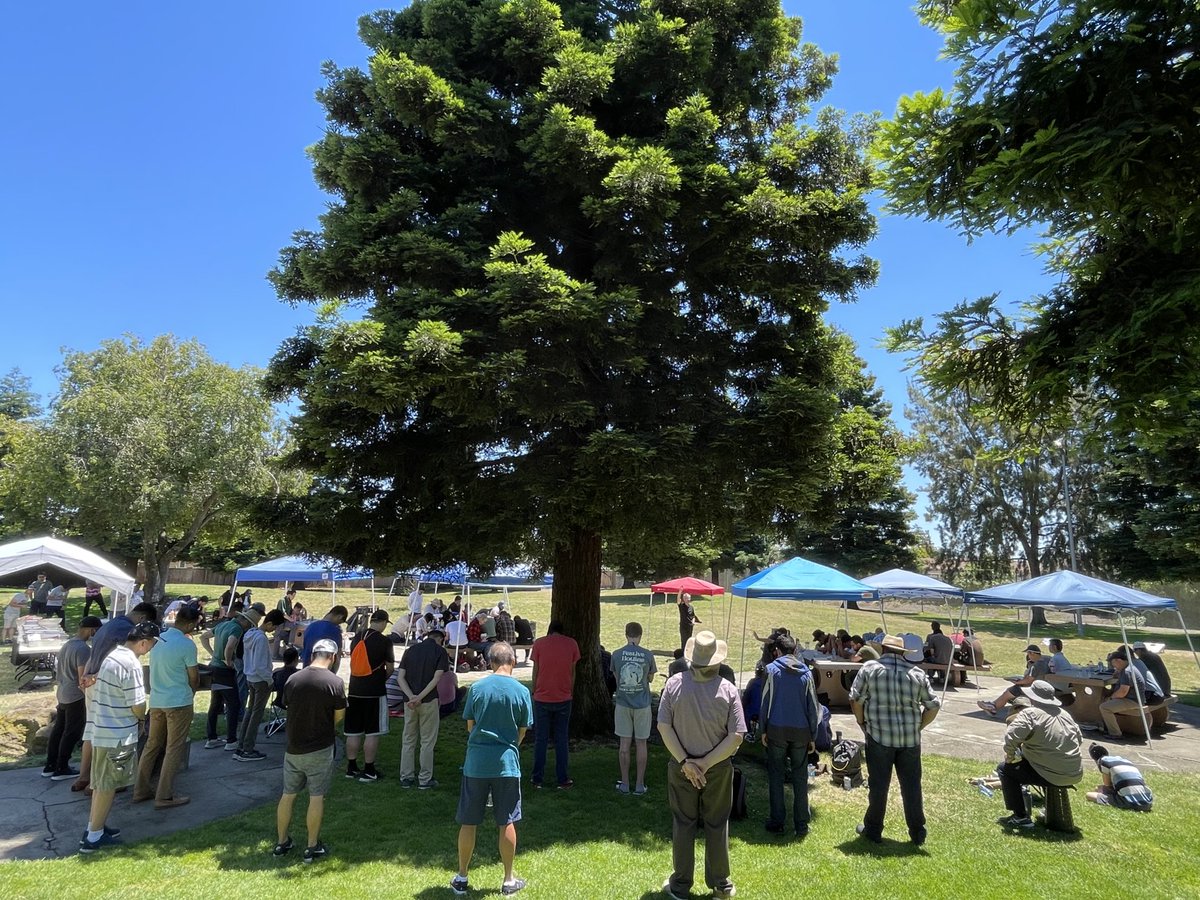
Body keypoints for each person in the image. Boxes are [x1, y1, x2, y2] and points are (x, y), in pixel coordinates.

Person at [657, 631, 745, 900]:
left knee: (683, 823)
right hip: (717, 768)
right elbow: (737, 735)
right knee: (717, 824)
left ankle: (681, 886)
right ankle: (721, 885)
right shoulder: (727, 689)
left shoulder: (673, 685)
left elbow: (663, 726)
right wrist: (705, 763)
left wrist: (687, 762)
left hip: (682, 766)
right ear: (716, 660)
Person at [451, 641, 533, 896]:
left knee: (468, 821)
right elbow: (522, 730)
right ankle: (508, 879)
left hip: (476, 762)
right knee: (507, 821)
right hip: (506, 763)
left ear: (490, 662)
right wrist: (508, 745)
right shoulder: (521, 691)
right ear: (513, 661)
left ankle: (462, 877)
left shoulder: (477, 688)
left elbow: (470, 725)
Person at [849, 633, 941, 845]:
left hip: (879, 735)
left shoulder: (870, 669)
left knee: (878, 786)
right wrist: (919, 726)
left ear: (883, 650)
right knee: (911, 786)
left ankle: (873, 829)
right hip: (909, 739)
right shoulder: (917, 673)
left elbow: (856, 700)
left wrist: (861, 723)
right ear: (902, 653)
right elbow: (933, 706)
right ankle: (917, 830)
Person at [79, 621, 160, 853]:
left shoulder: (113, 655)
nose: (151, 649)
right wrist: (142, 718)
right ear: (143, 642)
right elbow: (136, 703)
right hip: (117, 734)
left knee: (101, 783)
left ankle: (95, 827)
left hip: (103, 730)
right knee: (106, 786)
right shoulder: (131, 663)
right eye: (152, 644)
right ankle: (93, 838)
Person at [273, 638, 347, 863]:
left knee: (288, 795)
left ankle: (281, 842)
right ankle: (312, 845)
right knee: (316, 797)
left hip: (293, 747)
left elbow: (287, 704)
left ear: (313, 654)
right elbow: (339, 715)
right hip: (320, 747)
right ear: (333, 657)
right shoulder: (334, 682)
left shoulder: (293, 678)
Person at [74, 601, 158, 793]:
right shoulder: (127, 630)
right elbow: (116, 661)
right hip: (103, 683)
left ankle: (84, 777)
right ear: (143, 619)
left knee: (92, 731)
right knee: (109, 734)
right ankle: (99, 783)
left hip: (91, 682)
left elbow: (95, 653)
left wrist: (86, 677)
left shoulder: (110, 623)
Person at [133, 605, 200, 807]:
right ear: (189, 623)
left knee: (151, 745)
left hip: (157, 701)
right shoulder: (187, 644)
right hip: (178, 702)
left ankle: (140, 789)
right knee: (173, 748)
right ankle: (164, 795)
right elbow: (194, 677)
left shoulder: (158, 640)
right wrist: (192, 691)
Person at [994, 680, 1084, 829]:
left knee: (1005, 769)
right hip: (1073, 772)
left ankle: (1021, 817)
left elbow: (1011, 737)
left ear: (1033, 697)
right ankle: (1046, 809)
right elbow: (1079, 739)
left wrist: (1010, 756)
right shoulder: (1065, 714)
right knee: (1039, 764)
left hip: (1049, 773)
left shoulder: (1030, 713)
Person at [760, 633, 819, 837]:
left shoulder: (771, 670)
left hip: (776, 729)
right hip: (801, 732)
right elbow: (813, 706)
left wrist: (763, 729)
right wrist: (813, 735)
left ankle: (777, 821)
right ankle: (801, 824)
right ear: (795, 650)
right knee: (800, 777)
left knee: (776, 776)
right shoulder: (807, 673)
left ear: (777, 651)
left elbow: (765, 702)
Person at [43, 616, 102, 780]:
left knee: (58, 729)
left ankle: (50, 765)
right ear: (92, 630)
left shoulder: (68, 644)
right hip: (75, 695)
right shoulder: (83, 649)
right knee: (72, 732)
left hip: (62, 691)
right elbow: (82, 676)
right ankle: (62, 767)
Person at [344, 609, 396, 782]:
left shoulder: (357, 637)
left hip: (354, 689)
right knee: (372, 732)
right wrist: (381, 678)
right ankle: (368, 769)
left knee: (353, 731)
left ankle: (351, 767)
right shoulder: (384, 641)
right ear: (382, 623)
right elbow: (390, 668)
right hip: (374, 691)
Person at [398, 622, 450, 788]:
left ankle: (406, 777)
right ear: (440, 639)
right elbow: (436, 678)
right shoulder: (440, 652)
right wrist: (420, 697)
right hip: (428, 700)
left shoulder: (410, 650)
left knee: (408, 739)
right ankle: (425, 779)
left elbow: (400, 678)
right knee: (427, 741)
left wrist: (411, 697)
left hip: (409, 702)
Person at [529, 620, 581, 789]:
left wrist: (534, 689)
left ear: (549, 630)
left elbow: (535, 670)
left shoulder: (539, 644)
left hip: (542, 696)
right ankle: (563, 778)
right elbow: (573, 672)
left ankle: (537, 778)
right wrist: (570, 691)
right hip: (564, 697)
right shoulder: (571, 644)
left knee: (541, 739)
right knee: (561, 739)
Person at [234, 608, 286, 762]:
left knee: (250, 712)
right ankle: (248, 749)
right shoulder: (261, 638)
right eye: (274, 627)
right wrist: (269, 680)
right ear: (269, 623)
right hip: (261, 680)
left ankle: (241, 746)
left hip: (250, 677)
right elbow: (260, 664)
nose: (274, 630)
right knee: (256, 716)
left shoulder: (249, 634)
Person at [612, 621, 657, 796]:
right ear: (640, 635)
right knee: (641, 743)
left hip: (623, 703)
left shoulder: (617, 654)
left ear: (626, 634)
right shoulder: (647, 655)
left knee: (624, 744)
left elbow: (617, 678)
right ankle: (639, 785)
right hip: (643, 704)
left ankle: (624, 783)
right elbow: (651, 678)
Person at [1100, 647, 1162, 738]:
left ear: (1119, 661)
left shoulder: (1127, 671)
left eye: (1113, 663)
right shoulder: (1129, 668)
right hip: (1135, 698)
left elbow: (1123, 692)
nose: (1113, 666)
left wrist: (1112, 697)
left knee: (1104, 707)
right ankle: (1106, 726)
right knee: (1104, 700)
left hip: (1132, 700)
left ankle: (1115, 733)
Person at [977, 644, 1051, 716]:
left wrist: (1017, 681)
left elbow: (1028, 680)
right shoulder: (1047, 659)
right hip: (1045, 684)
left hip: (1033, 687)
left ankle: (993, 707)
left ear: (1032, 653)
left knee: (1010, 691)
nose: (1028, 657)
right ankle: (993, 705)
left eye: (1028, 654)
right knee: (1013, 689)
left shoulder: (1036, 665)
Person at [1085, 743, 1153, 810]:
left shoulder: (1103, 763)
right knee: (1099, 789)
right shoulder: (1127, 762)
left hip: (1129, 802)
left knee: (1089, 794)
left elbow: (1107, 786)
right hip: (1148, 802)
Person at [301, 605, 348, 669]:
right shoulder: (335, 630)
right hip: (324, 673)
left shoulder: (310, 627)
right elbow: (337, 657)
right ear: (340, 616)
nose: (338, 625)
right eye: (339, 622)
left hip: (306, 670)